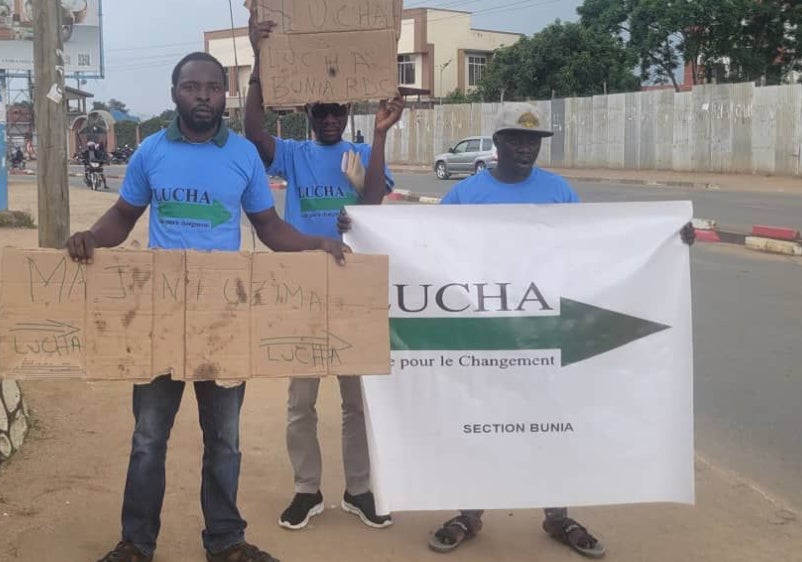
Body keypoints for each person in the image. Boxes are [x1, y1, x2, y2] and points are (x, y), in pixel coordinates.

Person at [338, 102, 695, 559]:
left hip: (543, 332)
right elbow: (423, 242)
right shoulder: (467, 196)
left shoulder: (558, 192)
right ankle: (468, 514)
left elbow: (595, 251)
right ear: (500, 143)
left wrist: (668, 239)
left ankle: (557, 516)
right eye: (517, 139)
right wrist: (365, 227)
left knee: (550, 423)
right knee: (481, 422)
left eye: (533, 141)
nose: (526, 148)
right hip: (484, 332)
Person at [67, 52, 349, 562]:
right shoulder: (150, 152)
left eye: (213, 87)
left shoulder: (242, 155)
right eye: (192, 86)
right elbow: (123, 216)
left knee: (225, 440)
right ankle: (136, 543)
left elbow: (268, 228)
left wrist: (315, 244)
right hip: (158, 317)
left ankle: (225, 542)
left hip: (224, 318)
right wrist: (91, 238)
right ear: (175, 92)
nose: (203, 95)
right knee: (149, 437)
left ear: (225, 94)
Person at [244, 14, 406, 532]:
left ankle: (359, 489)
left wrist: (379, 137)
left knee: (357, 400)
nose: (330, 118)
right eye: (322, 110)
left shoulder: (360, 153)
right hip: (304, 288)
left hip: (352, 288)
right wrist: (256, 64)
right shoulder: (292, 155)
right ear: (310, 113)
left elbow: (375, 199)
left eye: (338, 109)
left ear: (348, 110)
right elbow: (251, 133)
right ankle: (306, 489)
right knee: (301, 400)